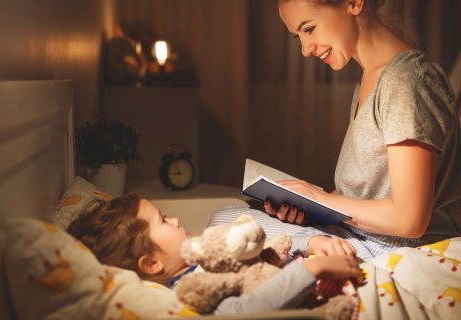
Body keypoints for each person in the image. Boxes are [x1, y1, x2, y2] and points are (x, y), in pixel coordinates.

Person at [265, 0, 461, 251]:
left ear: (354, 3)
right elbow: (361, 195)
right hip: (359, 236)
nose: (305, 49)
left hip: (394, 248)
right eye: (298, 36)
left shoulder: (406, 81)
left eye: (309, 29)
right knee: (231, 216)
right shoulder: (370, 80)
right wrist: (306, 205)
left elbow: (409, 220)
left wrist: (321, 199)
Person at [67, 194, 363, 315]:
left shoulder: (202, 262)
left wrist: (306, 246)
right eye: (163, 220)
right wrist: (313, 270)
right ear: (152, 263)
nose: (176, 221)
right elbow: (240, 312)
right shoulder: (190, 291)